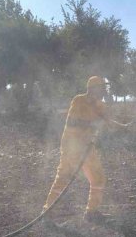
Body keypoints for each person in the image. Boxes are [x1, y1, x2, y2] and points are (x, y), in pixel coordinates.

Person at [43, 76, 130, 223]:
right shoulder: (78, 100)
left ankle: (92, 212)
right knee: (63, 178)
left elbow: (109, 122)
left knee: (98, 178)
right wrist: (94, 123)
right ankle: (48, 212)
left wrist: (127, 127)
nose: (104, 90)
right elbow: (73, 121)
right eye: (102, 87)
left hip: (86, 147)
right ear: (92, 88)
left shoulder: (101, 106)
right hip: (71, 144)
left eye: (104, 87)